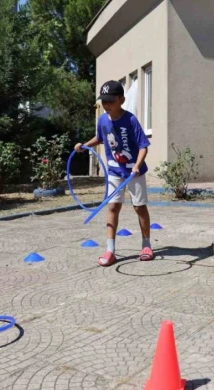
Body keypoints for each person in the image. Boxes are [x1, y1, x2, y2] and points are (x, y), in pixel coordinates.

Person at [74, 80, 154, 266]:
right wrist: (85, 146)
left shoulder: (130, 120)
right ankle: (110, 250)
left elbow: (143, 146)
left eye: (110, 101)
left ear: (121, 100)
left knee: (139, 207)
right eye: (104, 101)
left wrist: (136, 166)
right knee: (112, 207)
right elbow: (100, 138)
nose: (106, 104)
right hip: (114, 171)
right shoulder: (102, 119)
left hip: (134, 173)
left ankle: (146, 245)